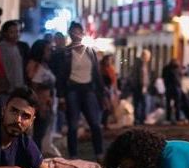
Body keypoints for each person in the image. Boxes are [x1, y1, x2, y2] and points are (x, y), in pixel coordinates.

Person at [53, 22, 105, 159]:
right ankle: (73, 155)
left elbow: (97, 74)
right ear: (70, 34)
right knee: (73, 125)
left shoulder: (90, 51)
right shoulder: (66, 52)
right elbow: (61, 76)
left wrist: (102, 94)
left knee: (95, 124)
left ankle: (99, 153)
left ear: (82, 33)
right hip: (72, 89)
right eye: (73, 32)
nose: (76, 35)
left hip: (88, 89)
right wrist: (61, 96)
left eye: (78, 32)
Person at [25, 39, 57, 150]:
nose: (50, 52)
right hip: (40, 104)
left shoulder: (44, 64)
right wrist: (39, 106)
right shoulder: (34, 65)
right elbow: (34, 86)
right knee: (37, 135)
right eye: (48, 50)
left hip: (46, 102)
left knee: (40, 134)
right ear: (40, 51)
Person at [0, 20, 26, 90]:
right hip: (6, 88)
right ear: (5, 33)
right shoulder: (1, 47)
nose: (16, 35)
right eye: (12, 32)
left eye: (17, 31)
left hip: (17, 87)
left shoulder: (16, 46)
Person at [128, 49, 154, 124]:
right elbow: (140, 76)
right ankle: (140, 119)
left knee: (141, 104)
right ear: (145, 56)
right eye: (148, 57)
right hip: (139, 87)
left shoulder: (141, 64)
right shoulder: (140, 64)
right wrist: (141, 86)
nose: (149, 59)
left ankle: (139, 119)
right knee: (141, 104)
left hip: (140, 87)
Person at [162, 58, 186, 124]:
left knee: (168, 104)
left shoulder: (166, 68)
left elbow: (163, 77)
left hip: (169, 88)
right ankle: (177, 119)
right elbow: (180, 77)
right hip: (177, 88)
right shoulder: (178, 68)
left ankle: (168, 119)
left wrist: (166, 85)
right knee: (177, 104)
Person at [100, 54, 120, 127]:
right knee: (105, 106)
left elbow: (114, 81)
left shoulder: (112, 69)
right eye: (107, 60)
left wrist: (116, 91)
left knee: (110, 107)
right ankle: (102, 122)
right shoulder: (101, 69)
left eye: (110, 60)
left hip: (110, 89)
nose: (108, 61)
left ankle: (104, 122)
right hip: (103, 90)